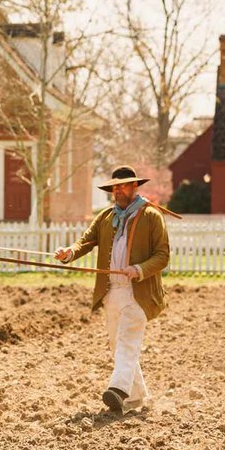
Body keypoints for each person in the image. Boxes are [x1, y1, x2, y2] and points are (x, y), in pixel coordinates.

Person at [54, 165, 170, 414]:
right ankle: (137, 396)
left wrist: (139, 269)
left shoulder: (151, 216)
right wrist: (69, 253)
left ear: (134, 187)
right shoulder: (106, 217)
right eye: (115, 187)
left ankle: (117, 391)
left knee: (128, 342)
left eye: (123, 185)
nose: (117, 190)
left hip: (138, 291)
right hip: (111, 292)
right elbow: (85, 241)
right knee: (118, 346)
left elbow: (162, 255)